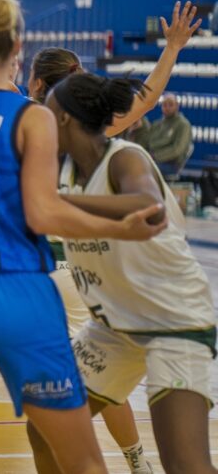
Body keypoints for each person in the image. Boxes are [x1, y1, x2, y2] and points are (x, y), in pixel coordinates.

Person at [0, 0, 200, 474]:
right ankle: (137, 461)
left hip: (49, 269)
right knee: (97, 384)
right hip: (95, 273)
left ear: (37, 81)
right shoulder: (94, 124)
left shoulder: (25, 113)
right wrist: (173, 49)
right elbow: (145, 99)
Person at [30, 72, 217, 474]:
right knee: (46, 425)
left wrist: (58, 204)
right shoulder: (62, 168)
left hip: (172, 320)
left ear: (63, 118)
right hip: (113, 326)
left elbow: (149, 204)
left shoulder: (123, 158)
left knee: (185, 463)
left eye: (48, 110)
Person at [148, 93, 193, 179]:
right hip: (152, 160)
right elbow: (149, 142)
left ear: (177, 106)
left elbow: (177, 150)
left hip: (171, 164)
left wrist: (155, 156)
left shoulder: (183, 124)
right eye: (164, 105)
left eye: (171, 104)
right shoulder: (157, 124)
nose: (167, 108)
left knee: (142, 169)